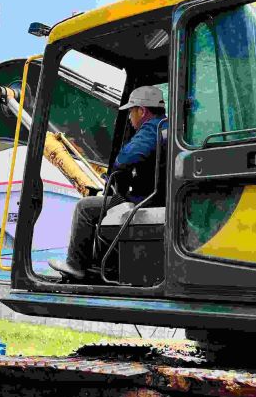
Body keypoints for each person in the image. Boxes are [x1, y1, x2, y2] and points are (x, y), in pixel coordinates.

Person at [49, 85, 168, 280]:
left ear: (142, 110)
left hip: (142, 201)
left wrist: (119, 167)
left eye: (131, 111)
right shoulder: (166, 126)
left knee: (84, 208)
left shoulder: (150, 129)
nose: (130, 117)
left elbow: (126, 158)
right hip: (154, 198)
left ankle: (76, 265)